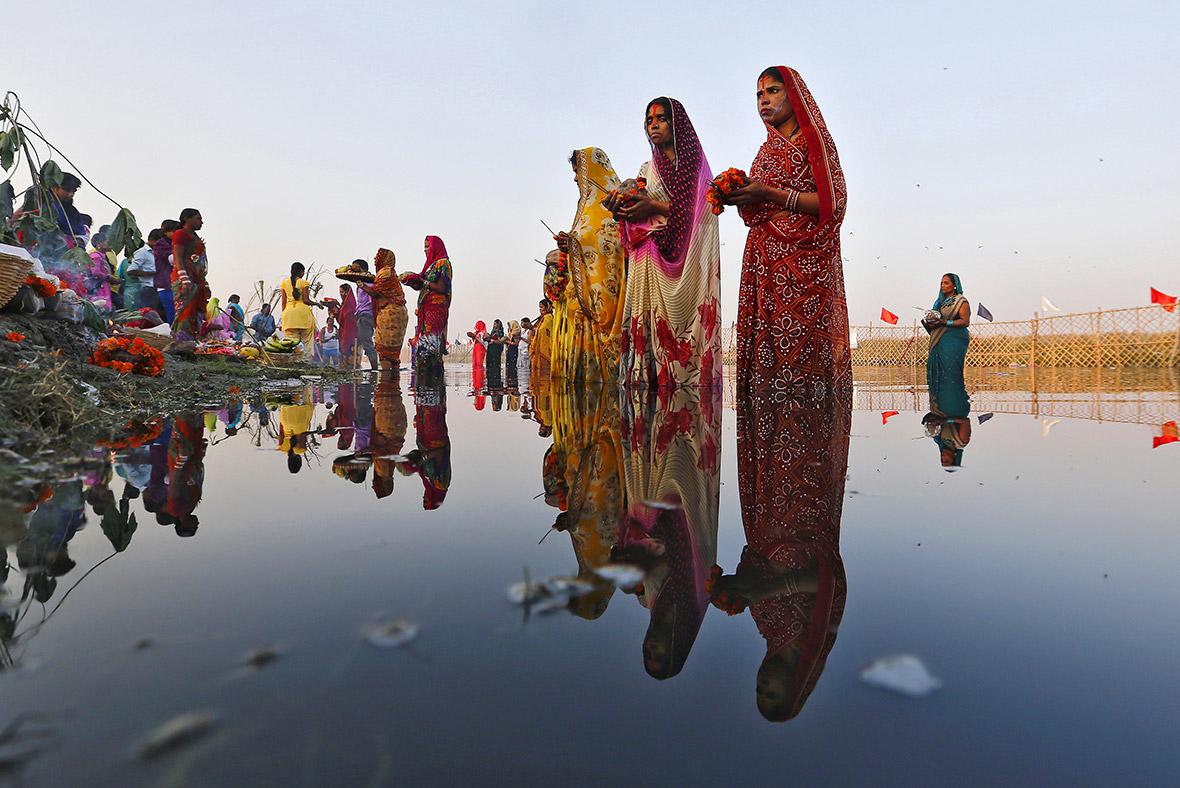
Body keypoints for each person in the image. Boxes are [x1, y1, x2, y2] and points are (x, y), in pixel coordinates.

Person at [710, 391, 850, 721]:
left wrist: (731, 587)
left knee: (768, 435)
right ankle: (807, 379)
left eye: (758, 691)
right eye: (772, 692)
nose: (763, 684)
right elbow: (830, 582)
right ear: (795, 687)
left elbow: (759, 577)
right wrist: (769, 590)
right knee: (800, 435)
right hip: (801, 519)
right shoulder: (811, 640)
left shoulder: (769, 633)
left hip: (766, 519)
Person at [727, 66, 850, 396]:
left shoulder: (816, 141)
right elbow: (753, 212)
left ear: (793, 95)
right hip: (764, 261)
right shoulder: (764, 152)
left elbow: (834, 201)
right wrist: (737, 195)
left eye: (772, 91)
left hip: (805, 262)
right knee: (768, 367)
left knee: (802, 358)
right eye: (759, 94)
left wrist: (769, 194)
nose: (763, 100)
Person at [606, 98, 721, 389]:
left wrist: (653, 207)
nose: (653, 125)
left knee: (683, 336)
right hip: (648, 261)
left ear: (677, 123)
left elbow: (702, 210)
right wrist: (622, 207)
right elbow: (637, 209)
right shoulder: (647, 170)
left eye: (661, 118)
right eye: (649, 120)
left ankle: (687, 384)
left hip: (688, 259)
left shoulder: (696, 167)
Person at [554, 147, 627, 385]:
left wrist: (577, 244)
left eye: (578, 172)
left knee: (605, 385)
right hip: (583, 301)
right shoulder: (585, 207)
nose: (575, 178)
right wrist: (571, 244)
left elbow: (615, 243)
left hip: (605, 301)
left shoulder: (614, 203)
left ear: (592, 171)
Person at [922, 272, 971, 468]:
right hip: (938, 341)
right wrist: (930, 323)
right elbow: (934, 326)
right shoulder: (939, 303)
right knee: (937, 377)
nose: (943, 286)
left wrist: (944, 323)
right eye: (941, 283)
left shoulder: (961, 301)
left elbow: (965, 322)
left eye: (946, 283)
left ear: (955, 285)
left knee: (952, 375)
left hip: (955, 340)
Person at [401, 236, 453, 379]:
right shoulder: (431, 265)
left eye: (427, 246)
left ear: (435, 247)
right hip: (426, 311)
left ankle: (433, 383)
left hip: (435, 311)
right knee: (424, 345)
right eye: (424, 247)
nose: (425, 250)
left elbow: (441, 288)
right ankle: (425, 386)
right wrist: (412, 281)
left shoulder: (443, 263)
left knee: (431, 344)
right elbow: (423, 285)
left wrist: (422, 282)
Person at [171, 209, 209, 340]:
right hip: (186, 278)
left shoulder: (195, 237)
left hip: (197, 280)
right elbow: (178, 257)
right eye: (198, 219)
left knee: (197, 310)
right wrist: (184, 279)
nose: (201, 222)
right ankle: (180, 341)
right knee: (185, 310)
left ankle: (194, 341)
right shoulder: (181, 234)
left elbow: (198, 261)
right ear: (186, 219)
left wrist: (205, 282)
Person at [369, 248, 409, 368]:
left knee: (385, 353)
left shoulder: (385, 272)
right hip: (399, 314)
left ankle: (386, 384)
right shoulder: (392, 273)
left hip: (389, 314)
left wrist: (361, 285)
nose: (375, 259)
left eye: (378, 257)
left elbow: (376, 293)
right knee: (393, 354)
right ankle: (394, 383)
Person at [349, 259, 380, 369]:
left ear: (365, 270)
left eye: (357, 268)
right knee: (365, 341)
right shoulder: (360, 285)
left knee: (367, 343)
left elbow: (374, 298)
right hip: (362, 315)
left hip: (366, 316)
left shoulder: (368, 284)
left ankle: (375, 370)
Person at [280, 261, 318, 348]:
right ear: (301, 272)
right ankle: (306, 360)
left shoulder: (284, 284)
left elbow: (283, 303)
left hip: (289, 314)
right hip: (303, 314)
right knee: (307, 341)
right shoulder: (304, 283)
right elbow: (306, 300)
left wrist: (284, 316)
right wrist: (316, 303)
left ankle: (291, 361)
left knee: (290, 342)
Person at [121, 236, 159, 312]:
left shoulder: (124, 262)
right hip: (140, 292)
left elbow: (121, 277)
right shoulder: (141, 258)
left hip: (129, 292)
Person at [153, 219, 180, 324]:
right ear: (166, 232)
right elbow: (173, 259)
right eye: (175, 231)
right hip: (166, 285)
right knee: (172, 315)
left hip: (174, 285)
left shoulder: (173, 244)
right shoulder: (161, 244)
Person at [85, 231, 116, 311]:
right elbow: (95, 272)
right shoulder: (95, 256)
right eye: (107, 241)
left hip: (103, 287)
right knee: (100, 308)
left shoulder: (102, 256)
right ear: (98, 243)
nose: (110, 244)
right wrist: (110, 278)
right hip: (98, 288)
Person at [337, 283, 357, 369]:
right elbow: (341, 322)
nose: (341, 294)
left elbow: (349, 321)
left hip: (351, 337)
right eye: (340, 292)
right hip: (343, 336)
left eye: (342, 292)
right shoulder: (344, 305)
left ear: (347, 292)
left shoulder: (350, 305)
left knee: (352, 365)